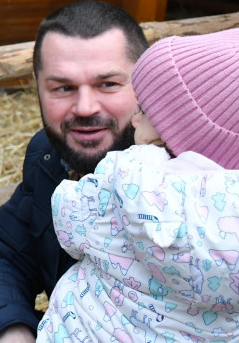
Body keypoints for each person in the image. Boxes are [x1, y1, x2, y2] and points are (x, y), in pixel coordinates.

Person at [0, 0, 149, 343]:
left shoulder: (189, 178)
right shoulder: (51, 160)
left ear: (146, 83)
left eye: (108, 84)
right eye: (64, 88)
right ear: (37, 86)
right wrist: (11, 331)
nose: (86, 108)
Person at [38, 27, 239, 341]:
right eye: (64, 88)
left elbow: (69, 217)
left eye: (145, 112)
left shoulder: (129, 173)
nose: (134, 120)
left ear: (173, 132)